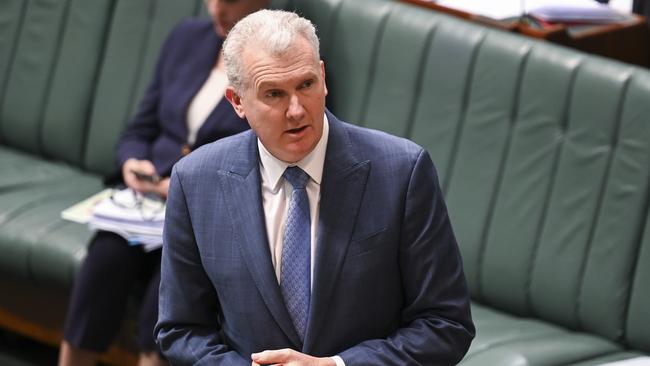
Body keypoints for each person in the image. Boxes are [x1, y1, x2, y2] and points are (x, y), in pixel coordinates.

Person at [155, 9, 475, 366]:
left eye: (305, 85)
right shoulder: (195, 181)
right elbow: (182, 330)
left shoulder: (402, 172)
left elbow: (446, 324)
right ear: (237, 101)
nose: (296, 110)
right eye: (274, 94)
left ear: (322, 77)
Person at [58, 1, 269, 365]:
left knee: (169, 289)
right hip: (146, 204)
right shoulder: (186, 37)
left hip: (211, 215)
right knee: (103, 261)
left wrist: (192, 186)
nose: (218, 10)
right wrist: (132, 162)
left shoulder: (277, 62)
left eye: (231, 0)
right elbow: (140, 127)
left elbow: (270, 156)